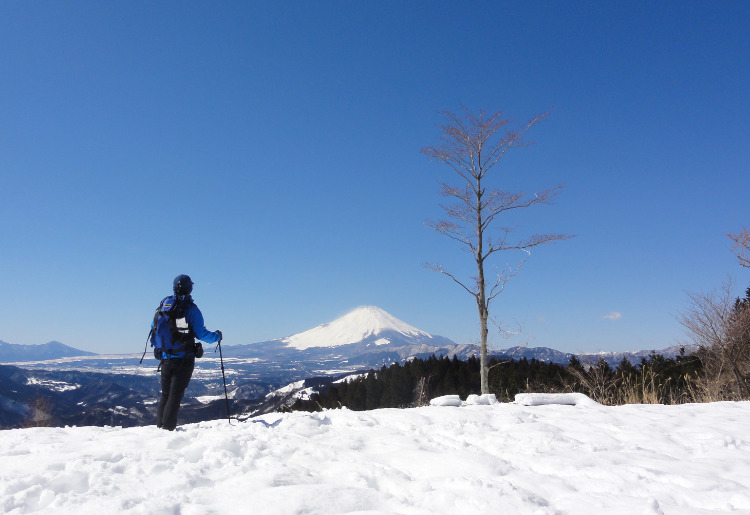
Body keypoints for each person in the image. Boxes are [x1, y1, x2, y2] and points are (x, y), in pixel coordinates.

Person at [152, 274, 222, 431]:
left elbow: (154, 328)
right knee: (175, 395)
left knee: (165, 394)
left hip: (165, 357)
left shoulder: (164, 306)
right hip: (183, 358)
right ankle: (167, 430)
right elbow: (201, 333)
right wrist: (217, 336)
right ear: (190, 288)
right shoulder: (191, 309)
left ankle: (160, 428)